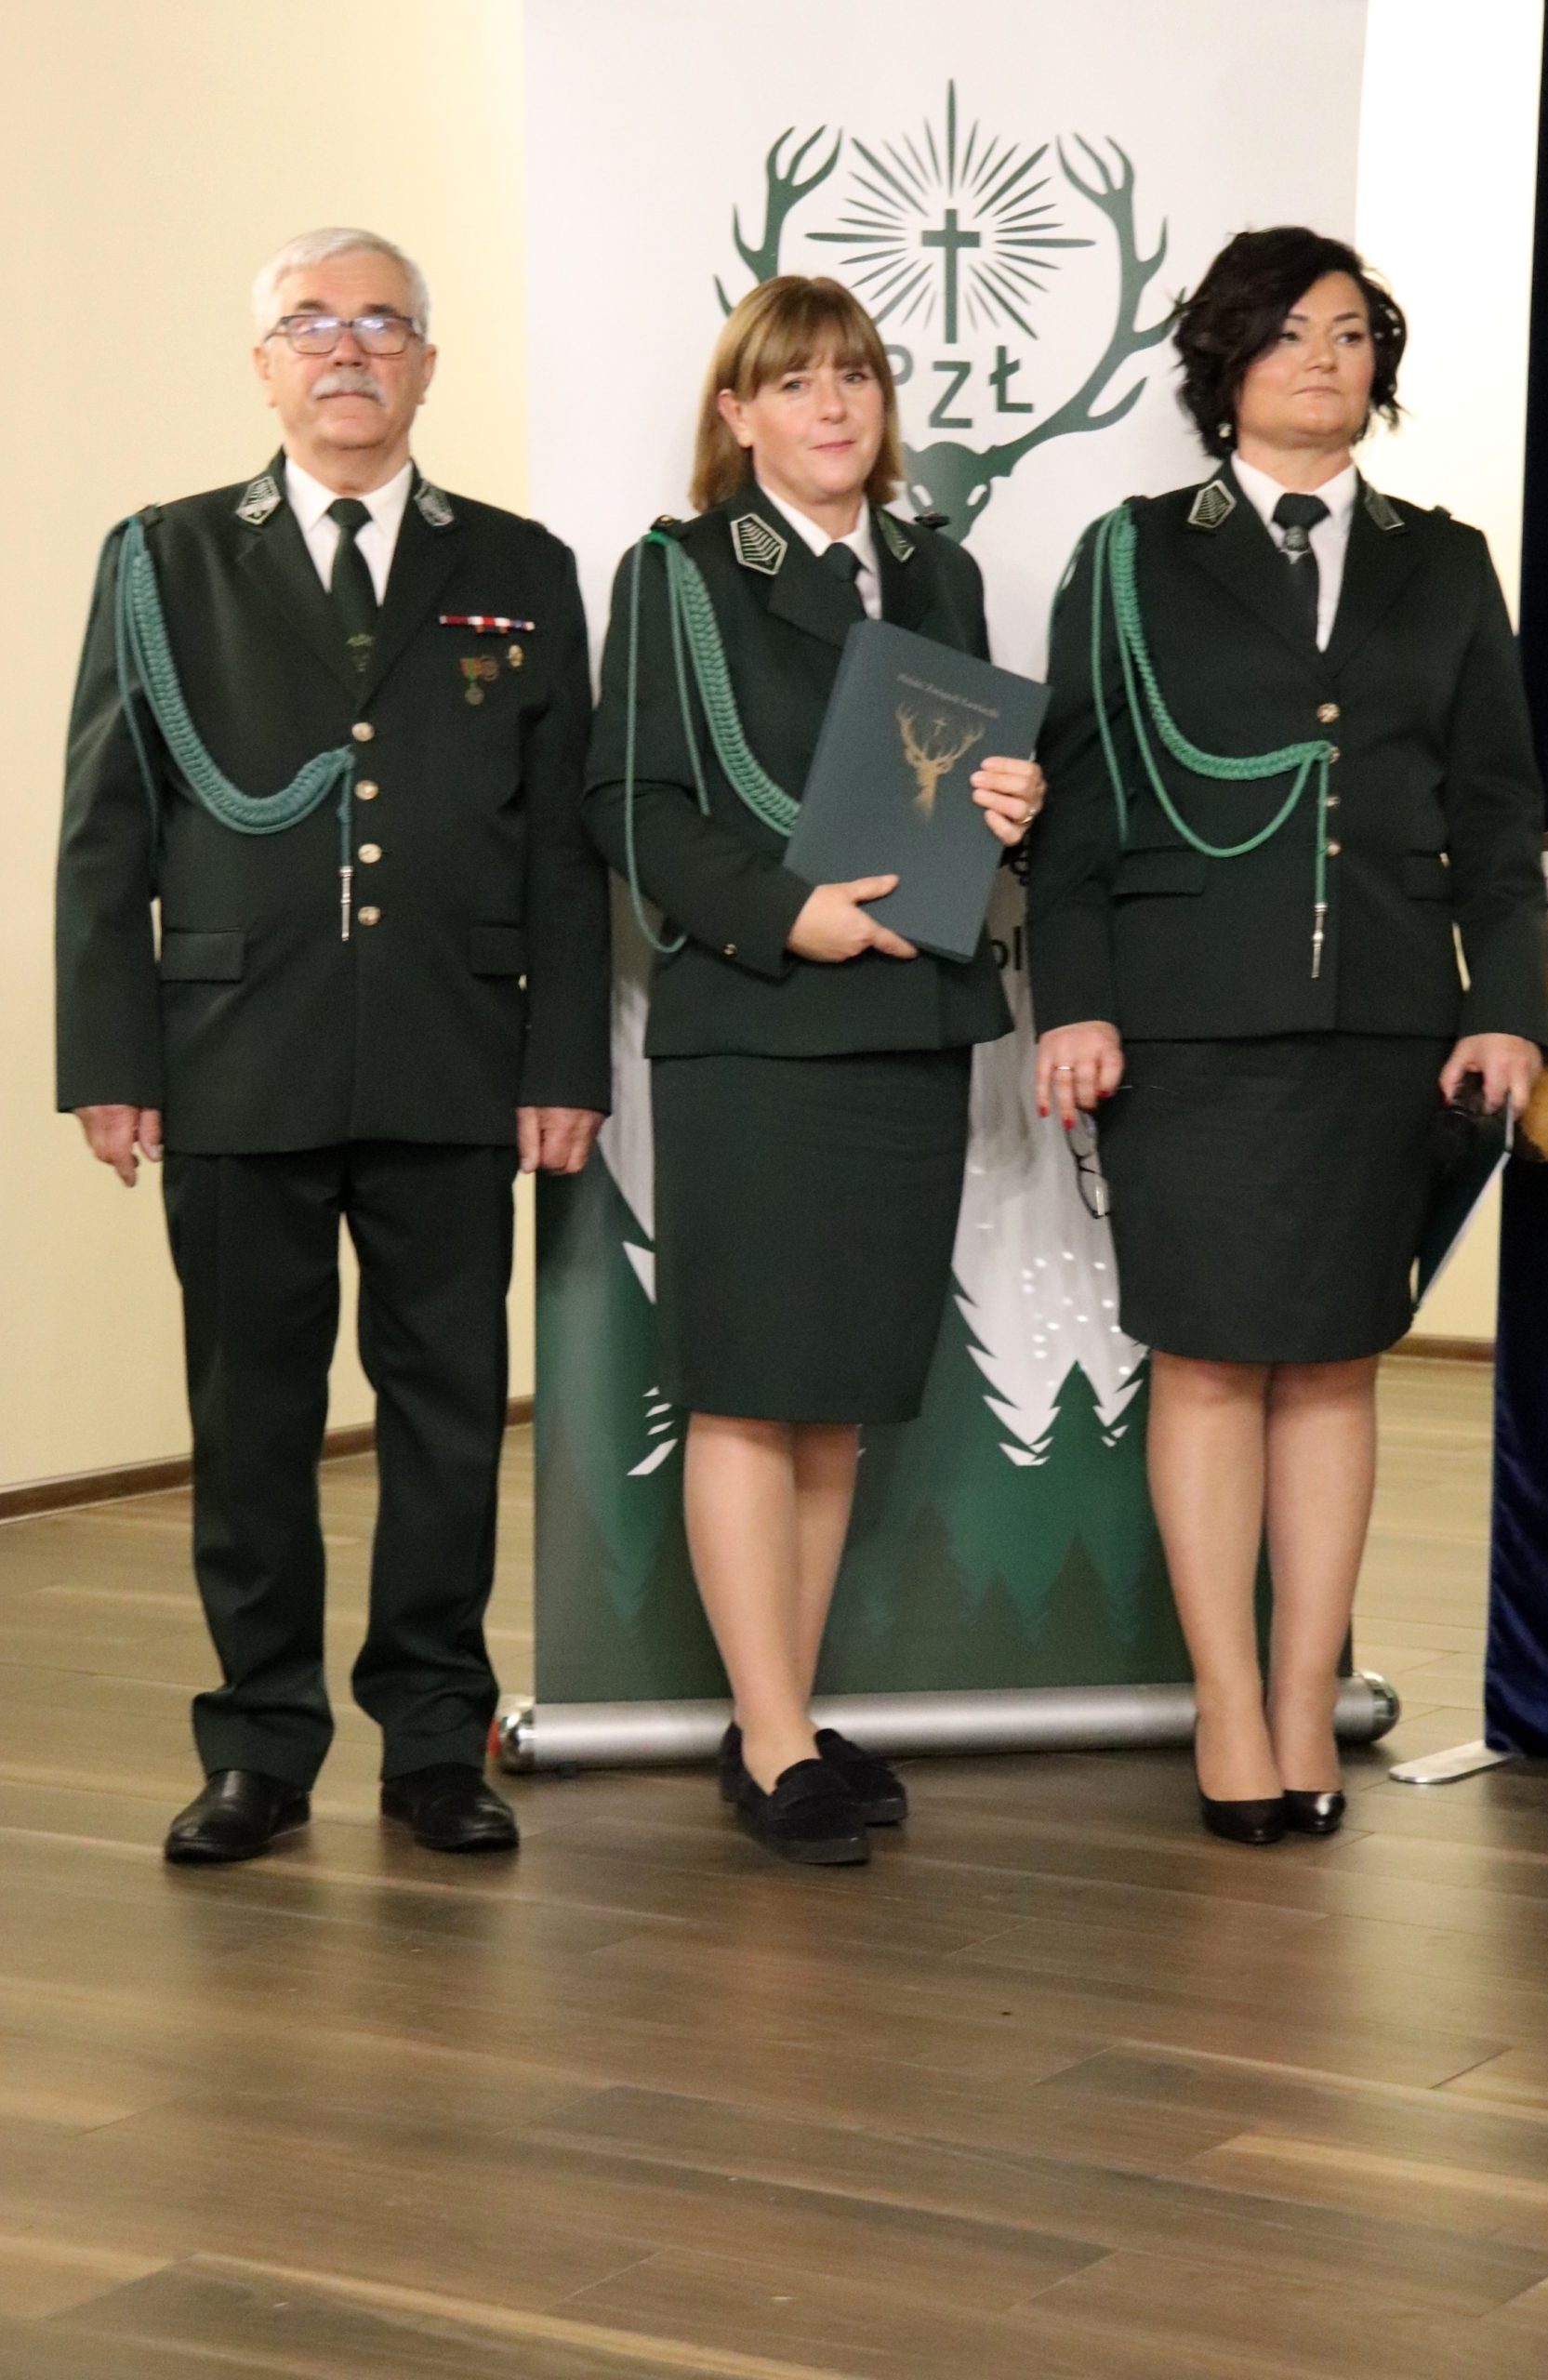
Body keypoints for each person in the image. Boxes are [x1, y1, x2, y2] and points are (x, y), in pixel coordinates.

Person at [57, 227, 610, 1863]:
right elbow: (107, 829)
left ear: (426, 361)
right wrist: (112, 1056)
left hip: (455, 1053)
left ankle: (435, 1741)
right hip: (233, 1053)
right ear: (264, 366)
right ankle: (259, 1744)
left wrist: (560, 1063)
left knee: (447, 1413)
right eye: (311, 323)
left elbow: (561, 849)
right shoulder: (162, 561)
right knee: (251, 1421)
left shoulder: (519, 564)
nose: (347, 348)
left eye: (381, 322)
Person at [1029, 227, 1548, 1845]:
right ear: (1223, 366)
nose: (1323, 360)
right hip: (1186, 1028)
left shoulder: (1443, 562)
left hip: (1383, 1027)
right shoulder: (1128, 557)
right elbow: (1078, 810)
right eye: (1286, 334)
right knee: (1204, 1364)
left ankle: (1305, 1693)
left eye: (1348, 333)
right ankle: (1226, 1705)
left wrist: (1503, 1005)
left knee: (1331, 1367)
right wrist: (1077, 998)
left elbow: (1495, 811)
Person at [583, 276, 1043, 1864]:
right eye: (792, 383)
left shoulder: (938, 570)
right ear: (737, 416)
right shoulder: (680, 574)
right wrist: (789, 915)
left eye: (853, 375)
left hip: (908, 1029)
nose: (832, 405)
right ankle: (776, 1739)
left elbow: (964, 787)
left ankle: (776, 1714)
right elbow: (629, 805)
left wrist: (1009, 809)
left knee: (835, 1398)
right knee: (749, 1385)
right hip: (762, 1024)